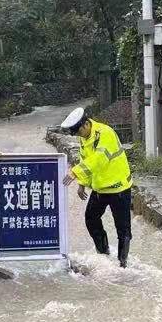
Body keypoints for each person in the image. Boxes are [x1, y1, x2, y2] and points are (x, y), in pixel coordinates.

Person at [60, 107, 134, 267]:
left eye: (79, 132)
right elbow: (84, 159)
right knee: (91, 219)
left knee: (123, 228)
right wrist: (82, 184)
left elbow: (99, 159)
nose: (78, 136)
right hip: (100, 188)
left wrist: (75, 173)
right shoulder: (84, 138)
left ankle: (123, 265)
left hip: (118, 187)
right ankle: (104, 253)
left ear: (86, 124)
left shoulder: (105, 133)